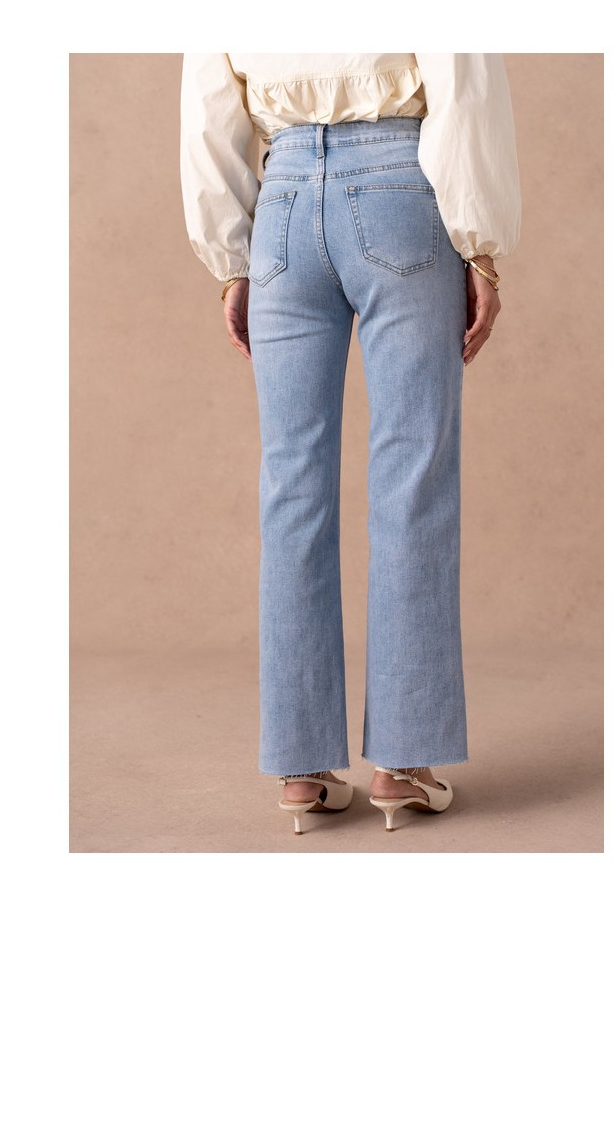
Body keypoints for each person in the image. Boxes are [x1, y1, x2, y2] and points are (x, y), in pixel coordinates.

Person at [179, 53, 522, 835]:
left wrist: (231, 260)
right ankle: (403, 762)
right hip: (401, 185)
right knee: (413, 474)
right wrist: (480, 244)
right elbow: (461, 78)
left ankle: (301, 769)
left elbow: (207, 114)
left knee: (292, 487)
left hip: (283, 203)